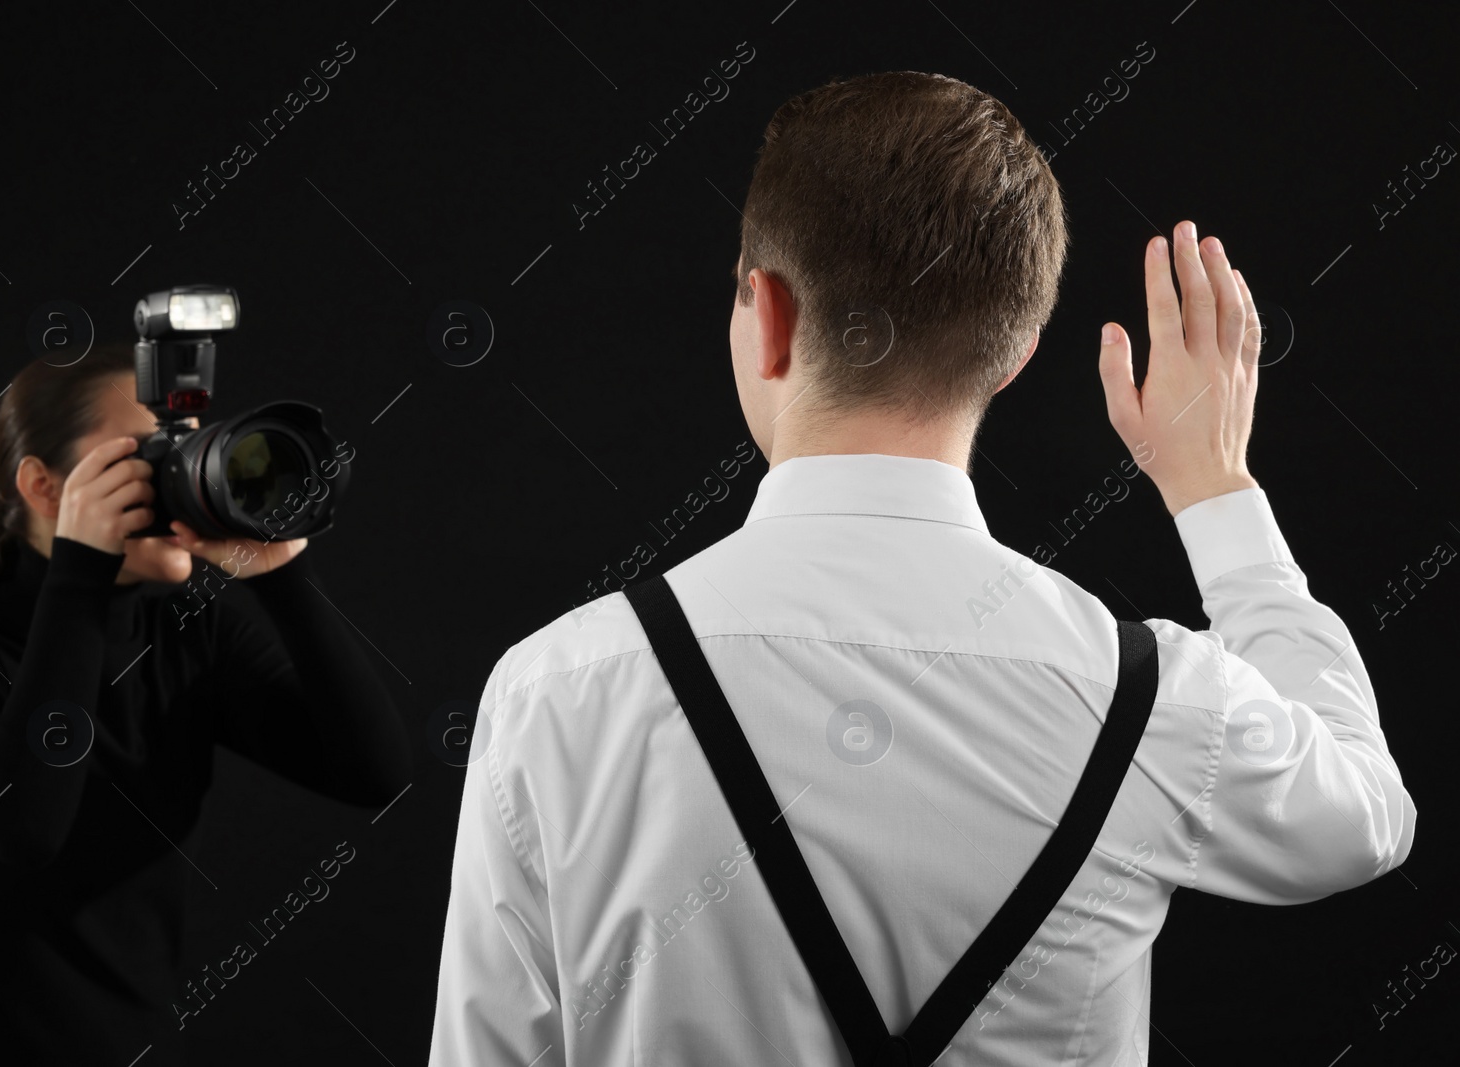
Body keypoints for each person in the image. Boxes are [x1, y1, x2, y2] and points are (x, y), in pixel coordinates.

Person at [428, 71, 1416, 1065]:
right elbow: (1364, 813)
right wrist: (1215, 490)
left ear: (764, 312)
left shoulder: (555, 688)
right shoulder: (1149, 699)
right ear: (1015, 354)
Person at [0, 343, 410, 1066]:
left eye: (185, 449)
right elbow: (24, 828)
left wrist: (282, 577)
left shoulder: (189, 635)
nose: (179, 475)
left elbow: (373, 772)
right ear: (45, 487)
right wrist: (80, 574)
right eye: (146, 456)